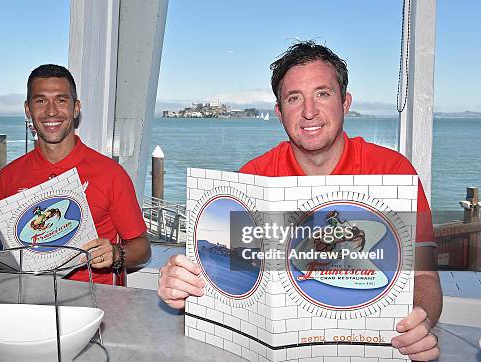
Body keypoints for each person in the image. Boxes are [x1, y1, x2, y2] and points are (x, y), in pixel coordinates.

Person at [157, 41, 442, 361]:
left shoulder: (393, 173)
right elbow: (233, 281)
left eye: (323, 93)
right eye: (294, 98)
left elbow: (424, 275)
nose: (309, 111)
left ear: (345, 103)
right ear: (279, 112)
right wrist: (183, 284)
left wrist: (422, 319)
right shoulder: (252, 180)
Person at [0, 64, 151, 285]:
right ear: (28, 109)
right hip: (29, 299)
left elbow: (143, 249)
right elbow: (2, 251)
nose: (51, 111)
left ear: (75, 108)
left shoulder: (110, 174)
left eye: (61, 100)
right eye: (40, 101)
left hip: (97, 304)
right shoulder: (8, 177)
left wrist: (116, 254)